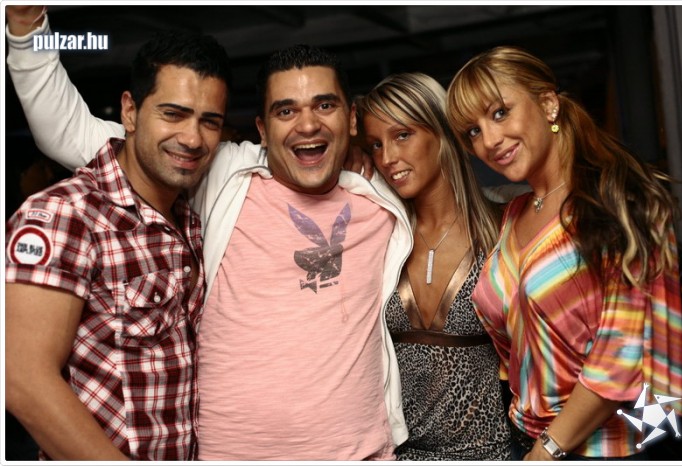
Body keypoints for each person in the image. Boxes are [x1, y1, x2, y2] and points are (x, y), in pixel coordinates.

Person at [6, 8, 411, 460]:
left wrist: (363, 155)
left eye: (325, 105)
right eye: (286, 110)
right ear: (262, 130)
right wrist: (27, 29)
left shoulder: (379, 197)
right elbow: (66, 131)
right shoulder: (220, 174)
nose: (308, 124)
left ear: (350, 119)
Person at [5, 23, 233, 460]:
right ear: (130, 112)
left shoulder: (190, 219)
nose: (192, 138)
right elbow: (21, 378)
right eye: (173, 114)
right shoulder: (67, 214)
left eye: (209, 121)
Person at [445, 45, 682, 460]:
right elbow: (516, 346)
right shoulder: (515, 213)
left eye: (500, 113)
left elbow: (620, 355)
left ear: (548, 104)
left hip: (612, 446)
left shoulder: (618, 200)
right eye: (473, 131)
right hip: (529, 437)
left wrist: (548, 448)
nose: (489, 140)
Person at [355, 72, 511, 460]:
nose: (387, 158)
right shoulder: (379, 238)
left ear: (441, 132)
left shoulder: (504, 229)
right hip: (400, 456)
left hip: (493, 454)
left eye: (402, 135)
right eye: (376, 144)